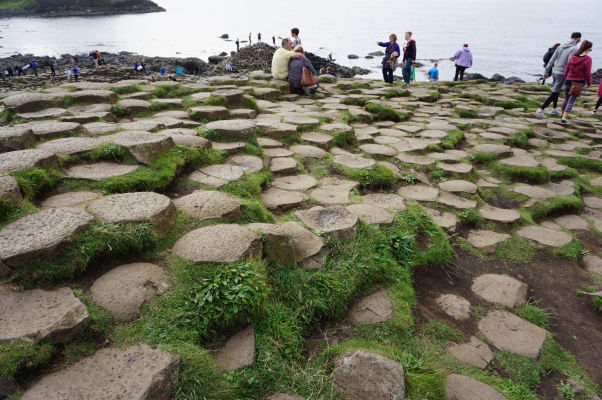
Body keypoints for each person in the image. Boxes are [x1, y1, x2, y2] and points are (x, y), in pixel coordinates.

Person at [535, 32, 582, 118]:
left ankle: (554, 109)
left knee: (556, 91)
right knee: (555, 92)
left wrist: (546, 72)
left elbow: (552, 60)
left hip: (555, 71)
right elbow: (570, 63)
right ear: (578, 38)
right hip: (563, 73)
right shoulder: (575, 48)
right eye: (580, 39)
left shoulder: (560, 46)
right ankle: (540, 110)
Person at [560, 40, 592, 124]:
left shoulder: (573, 57)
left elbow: (567, 69)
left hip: (568, 80)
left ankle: (562, 115)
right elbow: (587, 73)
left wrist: (566, 77)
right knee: (571, 100)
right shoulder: (588, 59)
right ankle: (563, 119)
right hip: (578, 82)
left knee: (566, 99)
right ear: (588, 49)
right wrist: (589, 83)